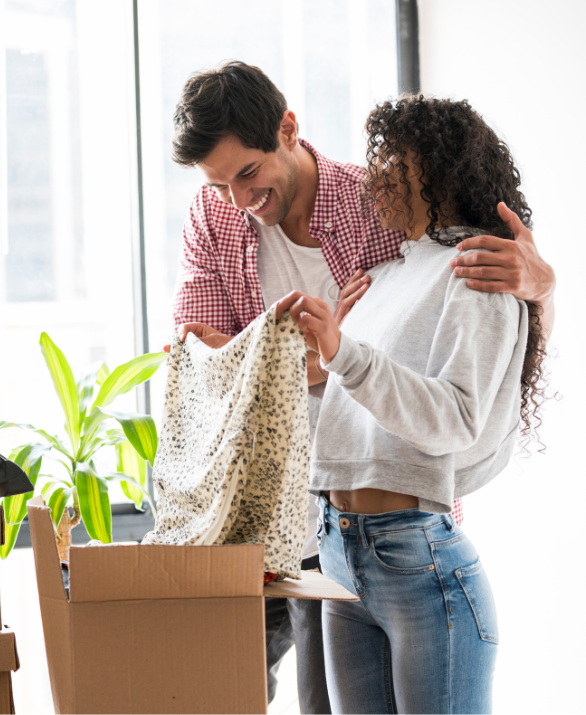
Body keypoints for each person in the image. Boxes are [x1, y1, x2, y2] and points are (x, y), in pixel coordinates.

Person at [165, 61, 556, 712]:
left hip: (394, 518)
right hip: (278, 501)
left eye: (247, 174)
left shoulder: (379, 208)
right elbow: (202, 357)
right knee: (234, 685)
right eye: (217, 183)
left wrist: (542, 284)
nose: (235, 199)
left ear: (288, 130)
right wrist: (321, 357)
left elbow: (451, 361)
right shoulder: (212, 216)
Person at [275, 94, 546, 713]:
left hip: (414, 554)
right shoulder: (389, 277)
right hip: (339, 549)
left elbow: (452, 419)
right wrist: (317, 361)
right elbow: (359, 410)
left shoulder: (476, 270)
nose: (377, 175)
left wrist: (345, 353)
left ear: (438, 166)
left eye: (393, 158)